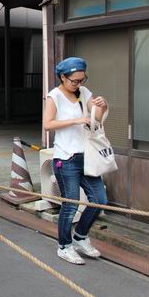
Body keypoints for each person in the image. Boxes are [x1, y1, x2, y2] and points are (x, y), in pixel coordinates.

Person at [43, 57, 108, 265]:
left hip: (87, 157)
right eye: (75, 81)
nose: (79, 84)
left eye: (82, 79)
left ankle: (80, 237)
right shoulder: (54, 96)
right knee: (70, 206)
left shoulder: (85, 92)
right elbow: (47, 124)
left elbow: (96, 119)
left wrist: (102, 106)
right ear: (63, 77)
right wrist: (77, 120)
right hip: (66, 158)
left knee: (99, 200)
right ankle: (64, 246)